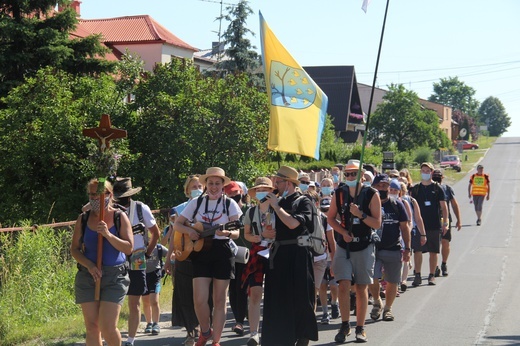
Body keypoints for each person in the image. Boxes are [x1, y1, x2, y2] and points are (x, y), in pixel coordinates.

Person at [173, 167, 242, 346]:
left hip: (222, 251)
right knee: (199, 299)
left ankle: (216, 341)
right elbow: (177, 225)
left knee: (219, 299)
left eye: (217, 183)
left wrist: (227, 232)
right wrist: (190, 231)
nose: (213, 187)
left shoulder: (230, 204)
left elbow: (236, 232)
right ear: (205, 184)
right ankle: (205, 330)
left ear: (223, 185)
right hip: (200, 252)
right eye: (210, 183)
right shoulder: (196, 202)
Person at [71, 178, 133, 346]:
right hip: (88, 276)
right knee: (92, 327)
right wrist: (90, 265)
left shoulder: (120, 217)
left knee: (107, 327)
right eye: (91, 195)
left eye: (99, 194)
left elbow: (128, 248)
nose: (95, 198)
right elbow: (74, 249)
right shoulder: (83, 219)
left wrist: (108, 234)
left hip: (114, 277)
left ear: (109, 195)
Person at [261, 165, 318, 346]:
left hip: (298, 255)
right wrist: (266, 230)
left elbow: (293, 224)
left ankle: (302, 335)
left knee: (300, 298)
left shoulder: (303, 201)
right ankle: (279, 338)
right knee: (278, 298)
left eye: (278, 181)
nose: (275, 184)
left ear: (288, 183)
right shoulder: (275, 202)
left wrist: (276, 207)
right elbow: (269, 229)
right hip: (278, 254)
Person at [327, 160, 382, 343]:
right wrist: (343, 232)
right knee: (343, 284)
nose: (350, 177)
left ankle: (360, 327)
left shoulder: (371, 194)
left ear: (361, 175)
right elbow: (331, 218)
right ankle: (344, 325)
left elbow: (377, 223)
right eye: (347, 174)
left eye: (353, 174)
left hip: (364, 245)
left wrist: (361, 215)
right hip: (344, 246)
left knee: (360, 287)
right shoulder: (339, 193)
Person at [112, 177, 161, 346]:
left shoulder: (141, 208)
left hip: (137, 257)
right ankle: (112, 334)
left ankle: (130, 340)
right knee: (113, 301)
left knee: (134, 301)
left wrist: (147, 253)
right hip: (114, 257)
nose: (121, 200)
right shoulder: (109, 210)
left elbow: (156, 233)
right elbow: (86, 208)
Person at [164, 175, 205, 346]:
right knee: (185, 295)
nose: (196, 188)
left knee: (202, 297)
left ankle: (204, 328)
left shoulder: (209, 206)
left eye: (199, 186)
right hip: (183, 256)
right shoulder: (179, 209)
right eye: (193, 186)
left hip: (203, 256)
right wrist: (167, 259)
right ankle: (191, 331)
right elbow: (174, 235)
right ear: (187, 190)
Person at [368, 176, 410, 322]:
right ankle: (377, 301)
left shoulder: (397, 205)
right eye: (378, 185)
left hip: (393, 248)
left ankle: (388, 308)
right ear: (373, 186)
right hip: (372, 248)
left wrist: (408, 249)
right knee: (371, 277)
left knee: (393, 281)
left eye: (385, 185)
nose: (382, 188)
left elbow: (405, 228)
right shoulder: (367, 204)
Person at [242, 177, 277, 346]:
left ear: (271, 191)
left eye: (265, 189)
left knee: (275, 293)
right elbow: (246, 234)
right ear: (255, 193)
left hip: (276, 252)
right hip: (257, 252)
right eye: (258, 189)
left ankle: (275, 329)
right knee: (255, 293)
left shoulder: (279, 209)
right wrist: (260, 235)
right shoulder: (250, 212)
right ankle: (254, 332)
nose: (262, 192)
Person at [410, 163, 448, 287]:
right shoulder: (415, 189)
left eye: (427, 171)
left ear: (431, 172)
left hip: (434, 224)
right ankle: (417, 275)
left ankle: (431, 275)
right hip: (419, 226)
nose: (425, 173)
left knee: (433, 251)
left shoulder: (437, 188)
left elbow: (444, 207)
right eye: (423, 171)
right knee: (418, 251)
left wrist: (445, 223)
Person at [224, 181, 249, 337]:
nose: (234, 196)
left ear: (242, 193)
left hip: (248, 256)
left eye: (235, 192)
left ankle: (242, 318)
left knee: (244, 289)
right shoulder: (223, 212)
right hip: (229, 255)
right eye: (230, 194)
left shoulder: (249, 211)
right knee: (234, 290)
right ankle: (239, 319)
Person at [432, 169, 462, 277]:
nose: (437, 178)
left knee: (445, 242)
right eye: (435, 176)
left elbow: (454, 204)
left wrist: (458, 219)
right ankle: (434, 267)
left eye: (438, 176)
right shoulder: (428, 188)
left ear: (442, 177)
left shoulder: (447, 189)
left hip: (445, 219)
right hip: (432, 219)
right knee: (435, 244)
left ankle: (444, 264)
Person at [317, 197, 339, 324]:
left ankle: (334, 302)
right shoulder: (316, 220)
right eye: (323, 209)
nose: (325, 212)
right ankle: (325, 312)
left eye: (328, 209)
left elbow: (332, 241)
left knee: (334, 285)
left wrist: (334, 261)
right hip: (319, 257)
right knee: (322, 285)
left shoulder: (328, 222)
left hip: (330, 256)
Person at [141, 243, 168, 335]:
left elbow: (169, 254)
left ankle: (156, 323)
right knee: (145, 301)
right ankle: (149, 323)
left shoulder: (159, 247)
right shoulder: (139, 246)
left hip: (155, 275)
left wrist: (168, 264)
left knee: (154, 301)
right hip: (142, 275)